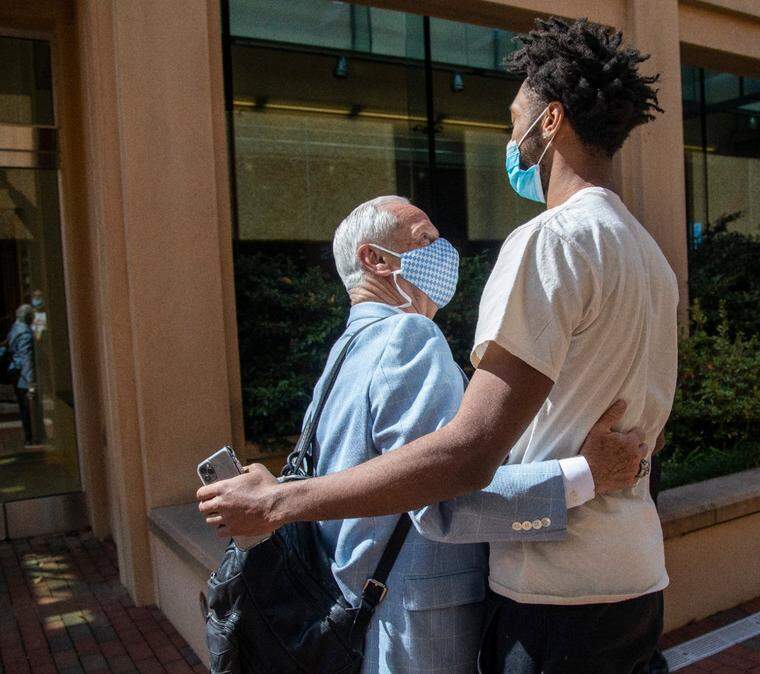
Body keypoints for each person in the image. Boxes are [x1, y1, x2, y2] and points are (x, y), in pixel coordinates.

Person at [199, 16, 674, 673]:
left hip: (554, 592)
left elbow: (464, 459)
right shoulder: (650, 256)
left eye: (514, 120)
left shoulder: (549, 241)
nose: (509, 140)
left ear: (550, 121)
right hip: (637, 574)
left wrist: (276, 502)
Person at [265, 195, 646, 673]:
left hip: (364, 615)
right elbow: (445, 498)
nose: (444, 252)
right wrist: (587, 474)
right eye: (425, 239)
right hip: (418, 627)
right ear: (375, 259)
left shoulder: (344, 352)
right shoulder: (408, 337)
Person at [7, 304, 37, 446]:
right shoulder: (25, 333)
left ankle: (29, 435)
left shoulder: (15, 328)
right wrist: (30, 382)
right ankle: (29, 436)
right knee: (27, 405)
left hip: (14, 369)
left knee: (23, 405)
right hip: (22, 373)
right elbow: (26, 358)